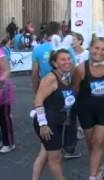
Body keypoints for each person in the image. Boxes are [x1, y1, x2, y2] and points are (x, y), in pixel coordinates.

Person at [31, 21, 80, 159]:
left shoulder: (38, 49)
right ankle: (68, 148)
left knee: (51, 114)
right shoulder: (67, 49)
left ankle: (51, 145)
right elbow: (74, 69)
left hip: (46, 89)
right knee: (69, 117)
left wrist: (37, 92)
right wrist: (74, 90)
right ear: (59, 32)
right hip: (65, 88)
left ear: (46, 32)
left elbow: (35, 73)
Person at [73, 35, 104, 180]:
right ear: (90, 48)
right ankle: (100, 167)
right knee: (91, 142)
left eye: (103, 50)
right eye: (96, 48)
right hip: (85, 110)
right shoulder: (80, 68)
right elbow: (75, 90)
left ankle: (93, 176)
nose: (99, 52)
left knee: (99, 140)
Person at [31, 49, 75, 180]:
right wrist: (43, 124)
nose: (67, 61)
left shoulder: (65, 76)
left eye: (69, 58)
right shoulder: (50, 78)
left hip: (57, 121)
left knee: (44, 154)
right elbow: (38, 101)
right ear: (55, 63)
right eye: (62, 59)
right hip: (47, 123)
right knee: (55, 158)